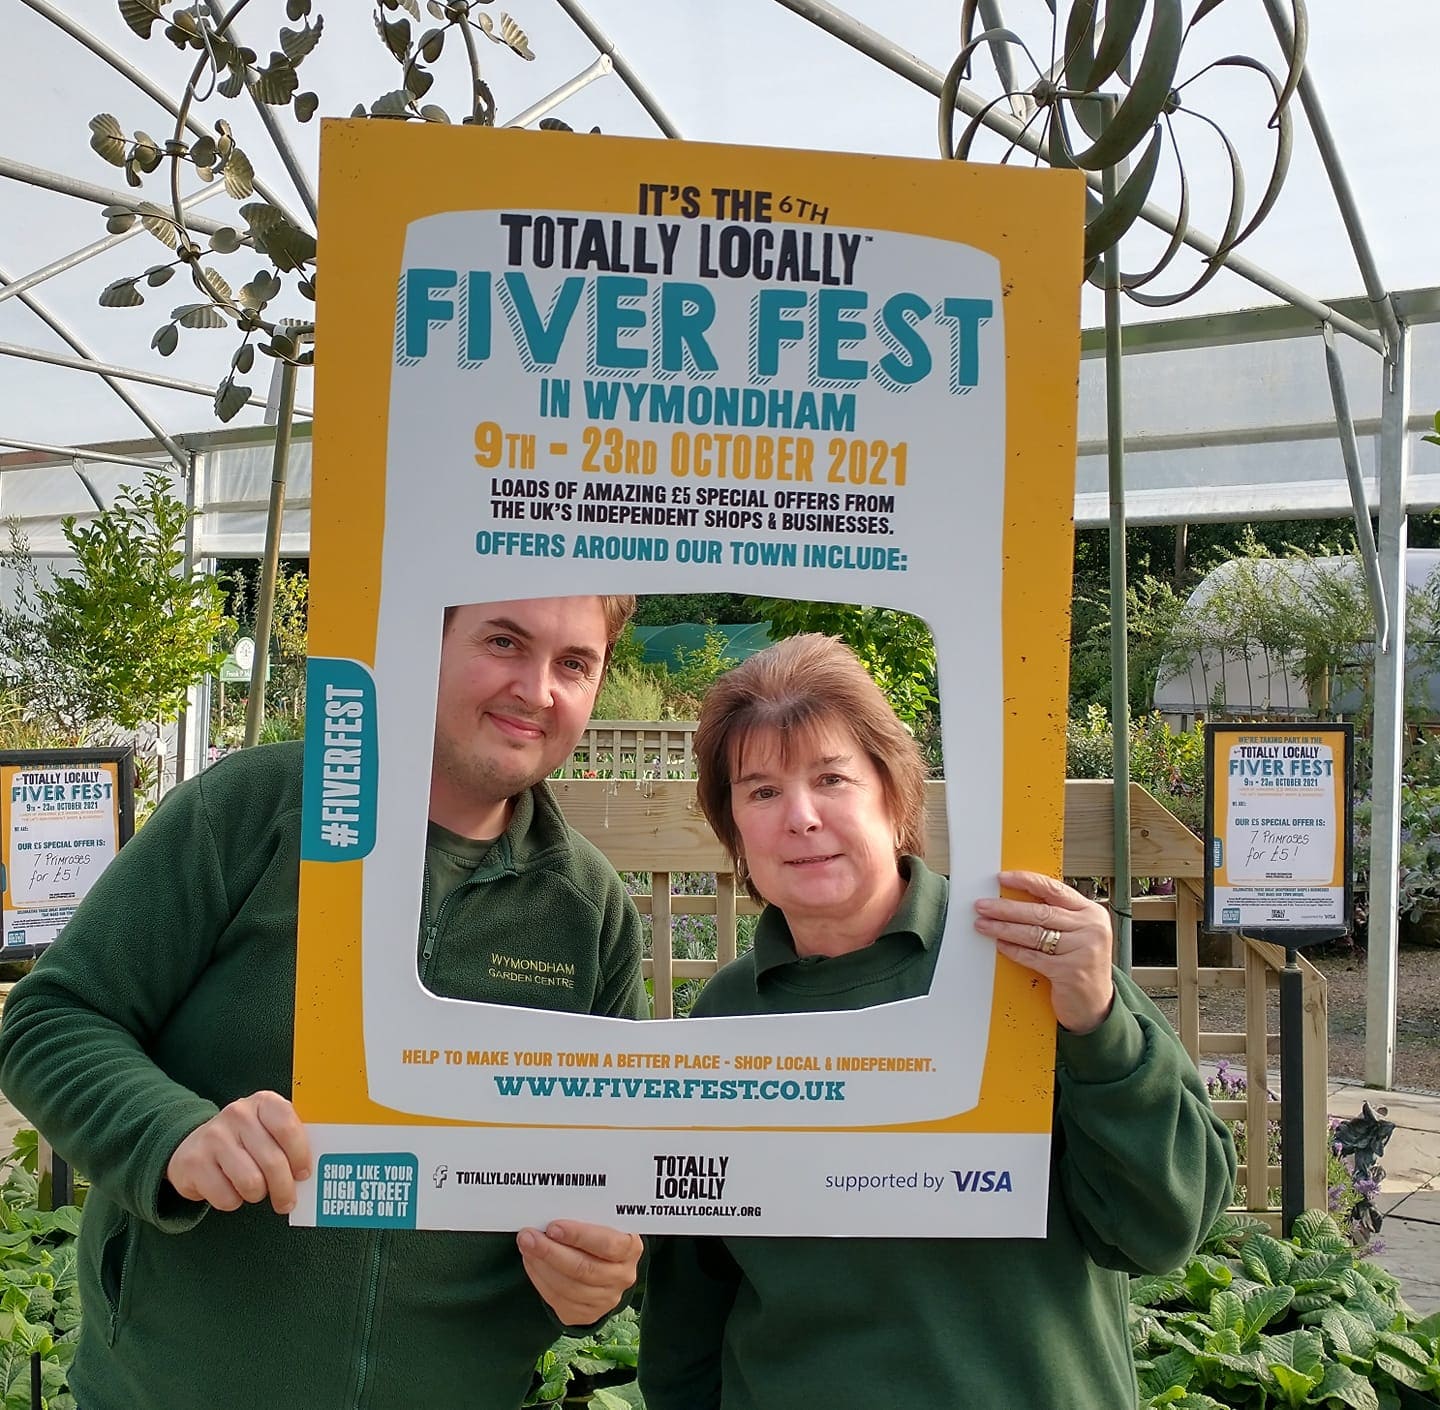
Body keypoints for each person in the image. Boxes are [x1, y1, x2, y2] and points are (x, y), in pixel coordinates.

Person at [0, 595, 648, 1410]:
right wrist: (173, 1132)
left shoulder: (587, 910)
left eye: (574, 663)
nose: (537, 689)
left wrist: (604, 1274)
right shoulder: (251, 811)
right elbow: (51, 1018)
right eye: (504, 641)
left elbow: (613, 1173)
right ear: (427, 643)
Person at [639, 633, 1236, 1410]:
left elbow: (1165, 1230)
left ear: (894, 795)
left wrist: (1097, 1021)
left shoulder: (1026, 960)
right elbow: (690, 1301)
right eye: (761, 792)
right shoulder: (727, 1015)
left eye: (832, 779)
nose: (801, 817)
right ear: (734, 828)